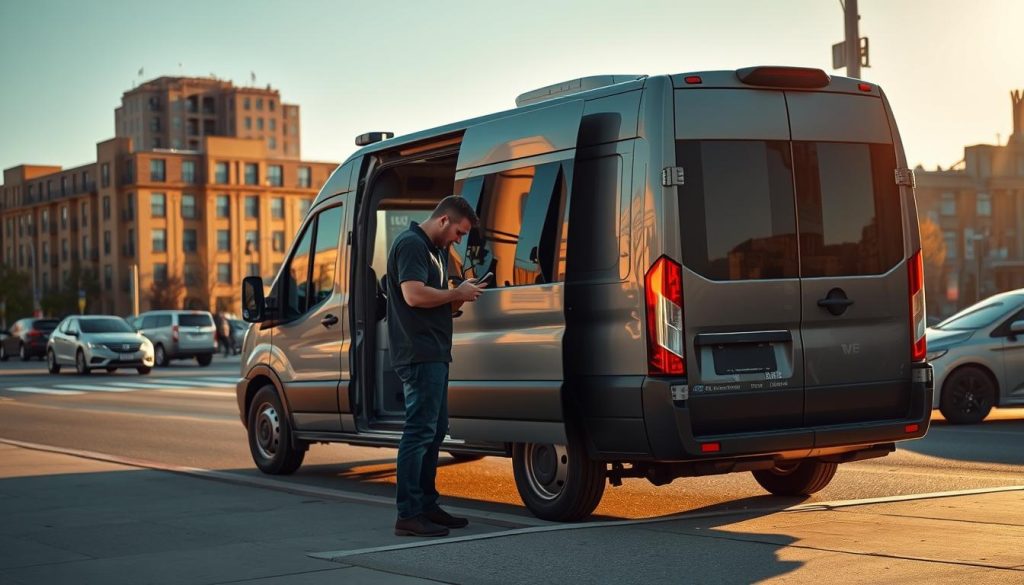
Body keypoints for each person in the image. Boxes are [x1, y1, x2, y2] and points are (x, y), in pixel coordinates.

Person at [387, 195, 486, 537]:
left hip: (436, 351)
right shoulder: (411, 244)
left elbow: (433, 300)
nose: (459, 239)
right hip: (418, 353)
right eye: (459, 232)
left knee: (434, 430)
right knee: (419, 432)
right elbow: (413, 295)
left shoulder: (438, 251)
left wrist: (460, 295)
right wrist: (456, 293)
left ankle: (426, 505)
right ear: (444, 220)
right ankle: (408, 514)